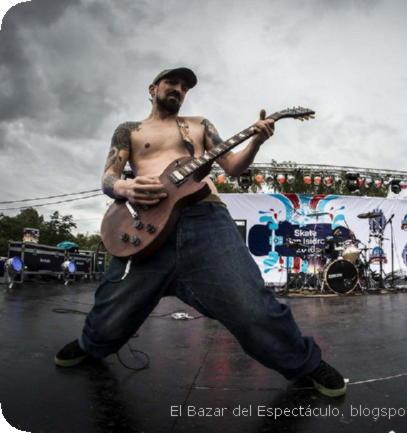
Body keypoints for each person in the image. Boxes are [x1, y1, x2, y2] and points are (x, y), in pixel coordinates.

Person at [54, 67, 346, 398]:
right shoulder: (129, 131)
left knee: (251, 305)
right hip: (144, 226)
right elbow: (108, 178)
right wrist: (126, 187)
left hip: (205, 218)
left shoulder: (198, 126)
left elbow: (235, 167)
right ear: (153, 88)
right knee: (111, 310)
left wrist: (257, 141)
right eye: (172, 83)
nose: (178, 89)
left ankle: (306, 364)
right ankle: (89, 345)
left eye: (184, 86)